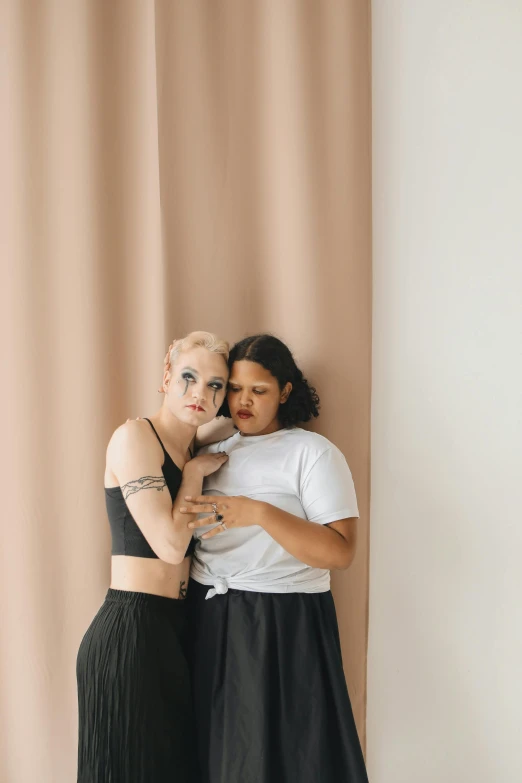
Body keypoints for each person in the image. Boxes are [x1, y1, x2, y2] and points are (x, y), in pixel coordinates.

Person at [182, 334, 369, 783]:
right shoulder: (210, 451)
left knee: (280, 762)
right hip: (209, 615)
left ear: (285, 392)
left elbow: (340, 552)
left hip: (282, 622)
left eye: (258, 391)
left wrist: (259, 513)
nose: (243, 401)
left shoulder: (312, 453)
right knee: (214, 757)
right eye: (234, 388)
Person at [76, 331, 230, 783]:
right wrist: (196, 475)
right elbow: (170, 544)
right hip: (131, 632)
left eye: (215, 385)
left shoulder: (192, 447)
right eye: (188, 376)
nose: (200, 393)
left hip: (173, 631)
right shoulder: (134, 438)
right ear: (166, 375)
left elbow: (241, 420)